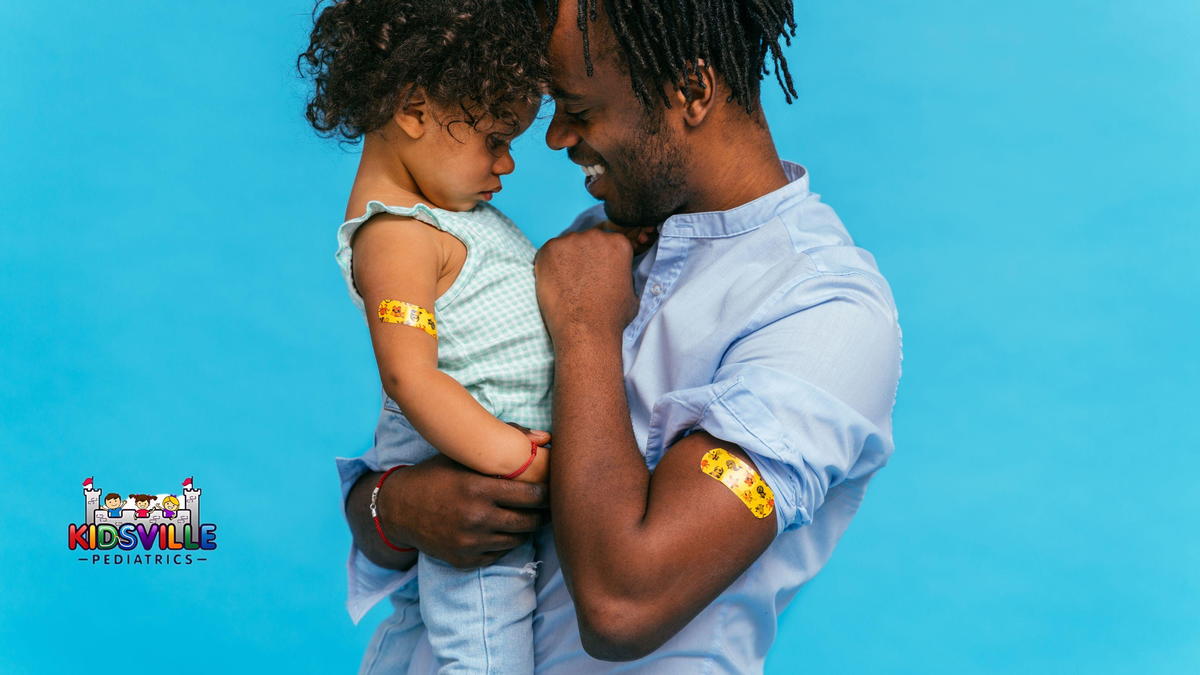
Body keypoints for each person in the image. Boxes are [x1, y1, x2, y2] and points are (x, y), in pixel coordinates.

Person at [340, 1, 903, 672]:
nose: (553, 139)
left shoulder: (823, 312)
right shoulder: (593, 243)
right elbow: (386, 488)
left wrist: (584, 328)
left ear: (690, 91)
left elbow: (623, 604)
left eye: (577, 108)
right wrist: (399, 508)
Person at [298, 1, 568, 672]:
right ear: (415, 108)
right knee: (484, 653)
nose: (507, 164)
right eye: (495, 138)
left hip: (502, 474)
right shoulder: (394, 237)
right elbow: (410, 376)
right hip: (480, 500)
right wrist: (511, 458)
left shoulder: (448, 216)